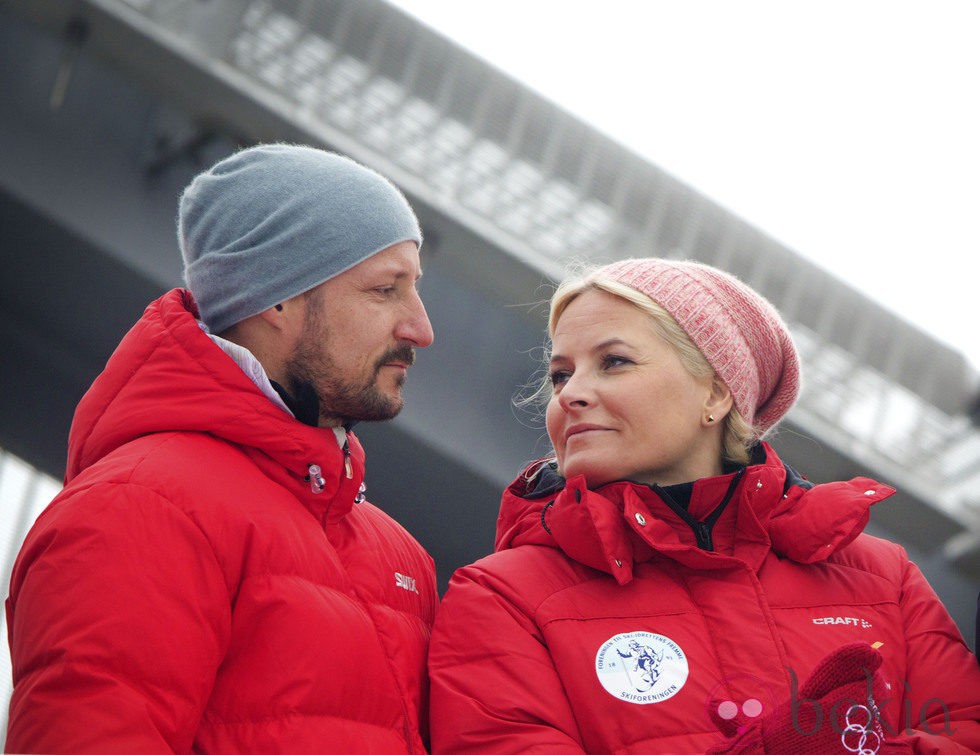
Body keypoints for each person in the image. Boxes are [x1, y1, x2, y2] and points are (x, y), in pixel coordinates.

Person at [428, 257, 980, 753]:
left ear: (717, 394)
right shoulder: (504, 596)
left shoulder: (886, 579)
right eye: (560, 374)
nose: (570, 393)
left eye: (614, 362)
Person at [5, 143, 438, 753]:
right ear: (276, 299)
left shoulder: (401, 557)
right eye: (385, 289)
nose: (421, 327)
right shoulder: (139, 510)